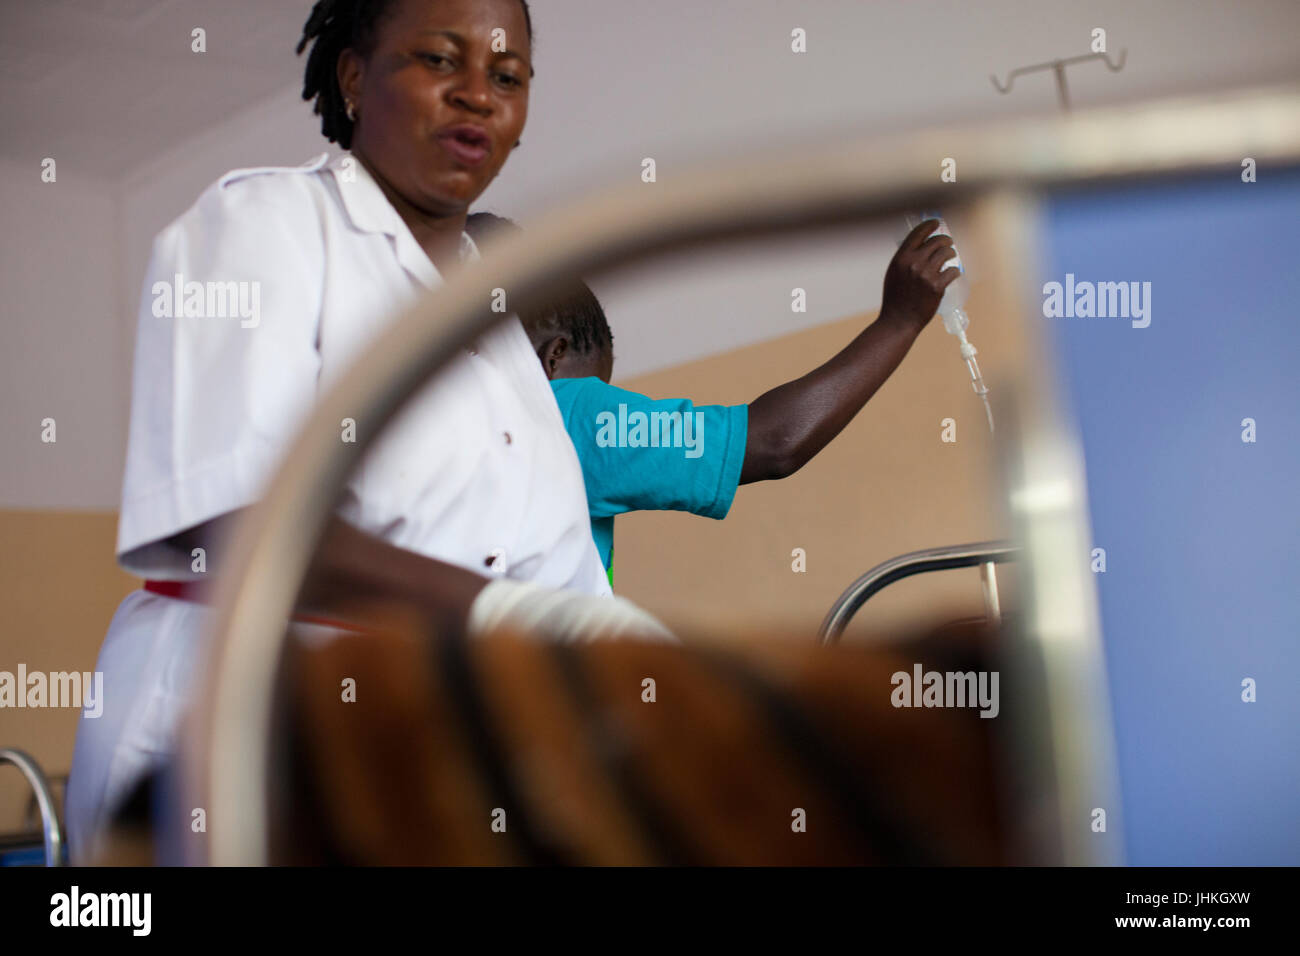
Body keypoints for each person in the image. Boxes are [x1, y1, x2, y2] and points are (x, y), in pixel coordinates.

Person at [66, 0, 671, 863]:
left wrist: (634, 662)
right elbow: (241, 523)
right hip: (235, 735)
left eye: (507, 76)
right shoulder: (259, 227)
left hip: (414, 752)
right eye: (438, 60)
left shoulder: (496, 316)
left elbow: (559, 573)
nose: (476, 96)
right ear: (354, 75)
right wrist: (503, 613)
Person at [466, 213, 960, 586]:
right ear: (553, 359)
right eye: (597, 382)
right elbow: (775, 442)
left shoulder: (460, 436)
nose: (598, 394)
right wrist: (900, 321)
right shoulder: (568, 413)